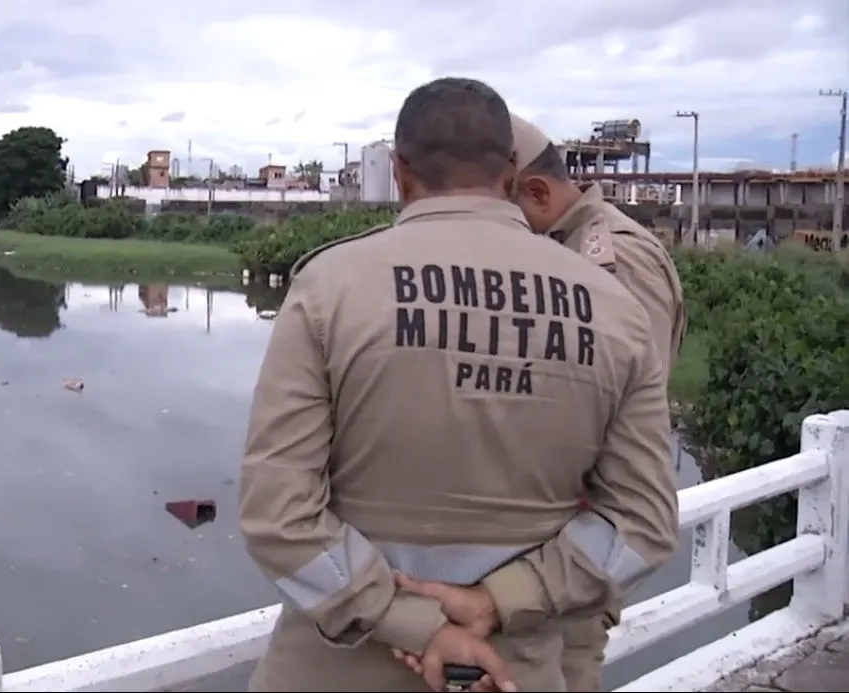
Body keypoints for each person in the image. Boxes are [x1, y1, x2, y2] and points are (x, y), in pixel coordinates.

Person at [237, 76, 679, 692]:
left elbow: (277, 515)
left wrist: (414, 622)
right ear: (509, 171)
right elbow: (643, 524)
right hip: (515, 669)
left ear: (399, 170)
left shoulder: (330, 286)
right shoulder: (611, 307)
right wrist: (499, 600)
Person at [394, 115, 689, 691]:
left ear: (535, 192)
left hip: (567, 564)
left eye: (497, 208)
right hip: (520, 561)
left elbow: (623, 421)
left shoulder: (613, 262)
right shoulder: (551, 253)